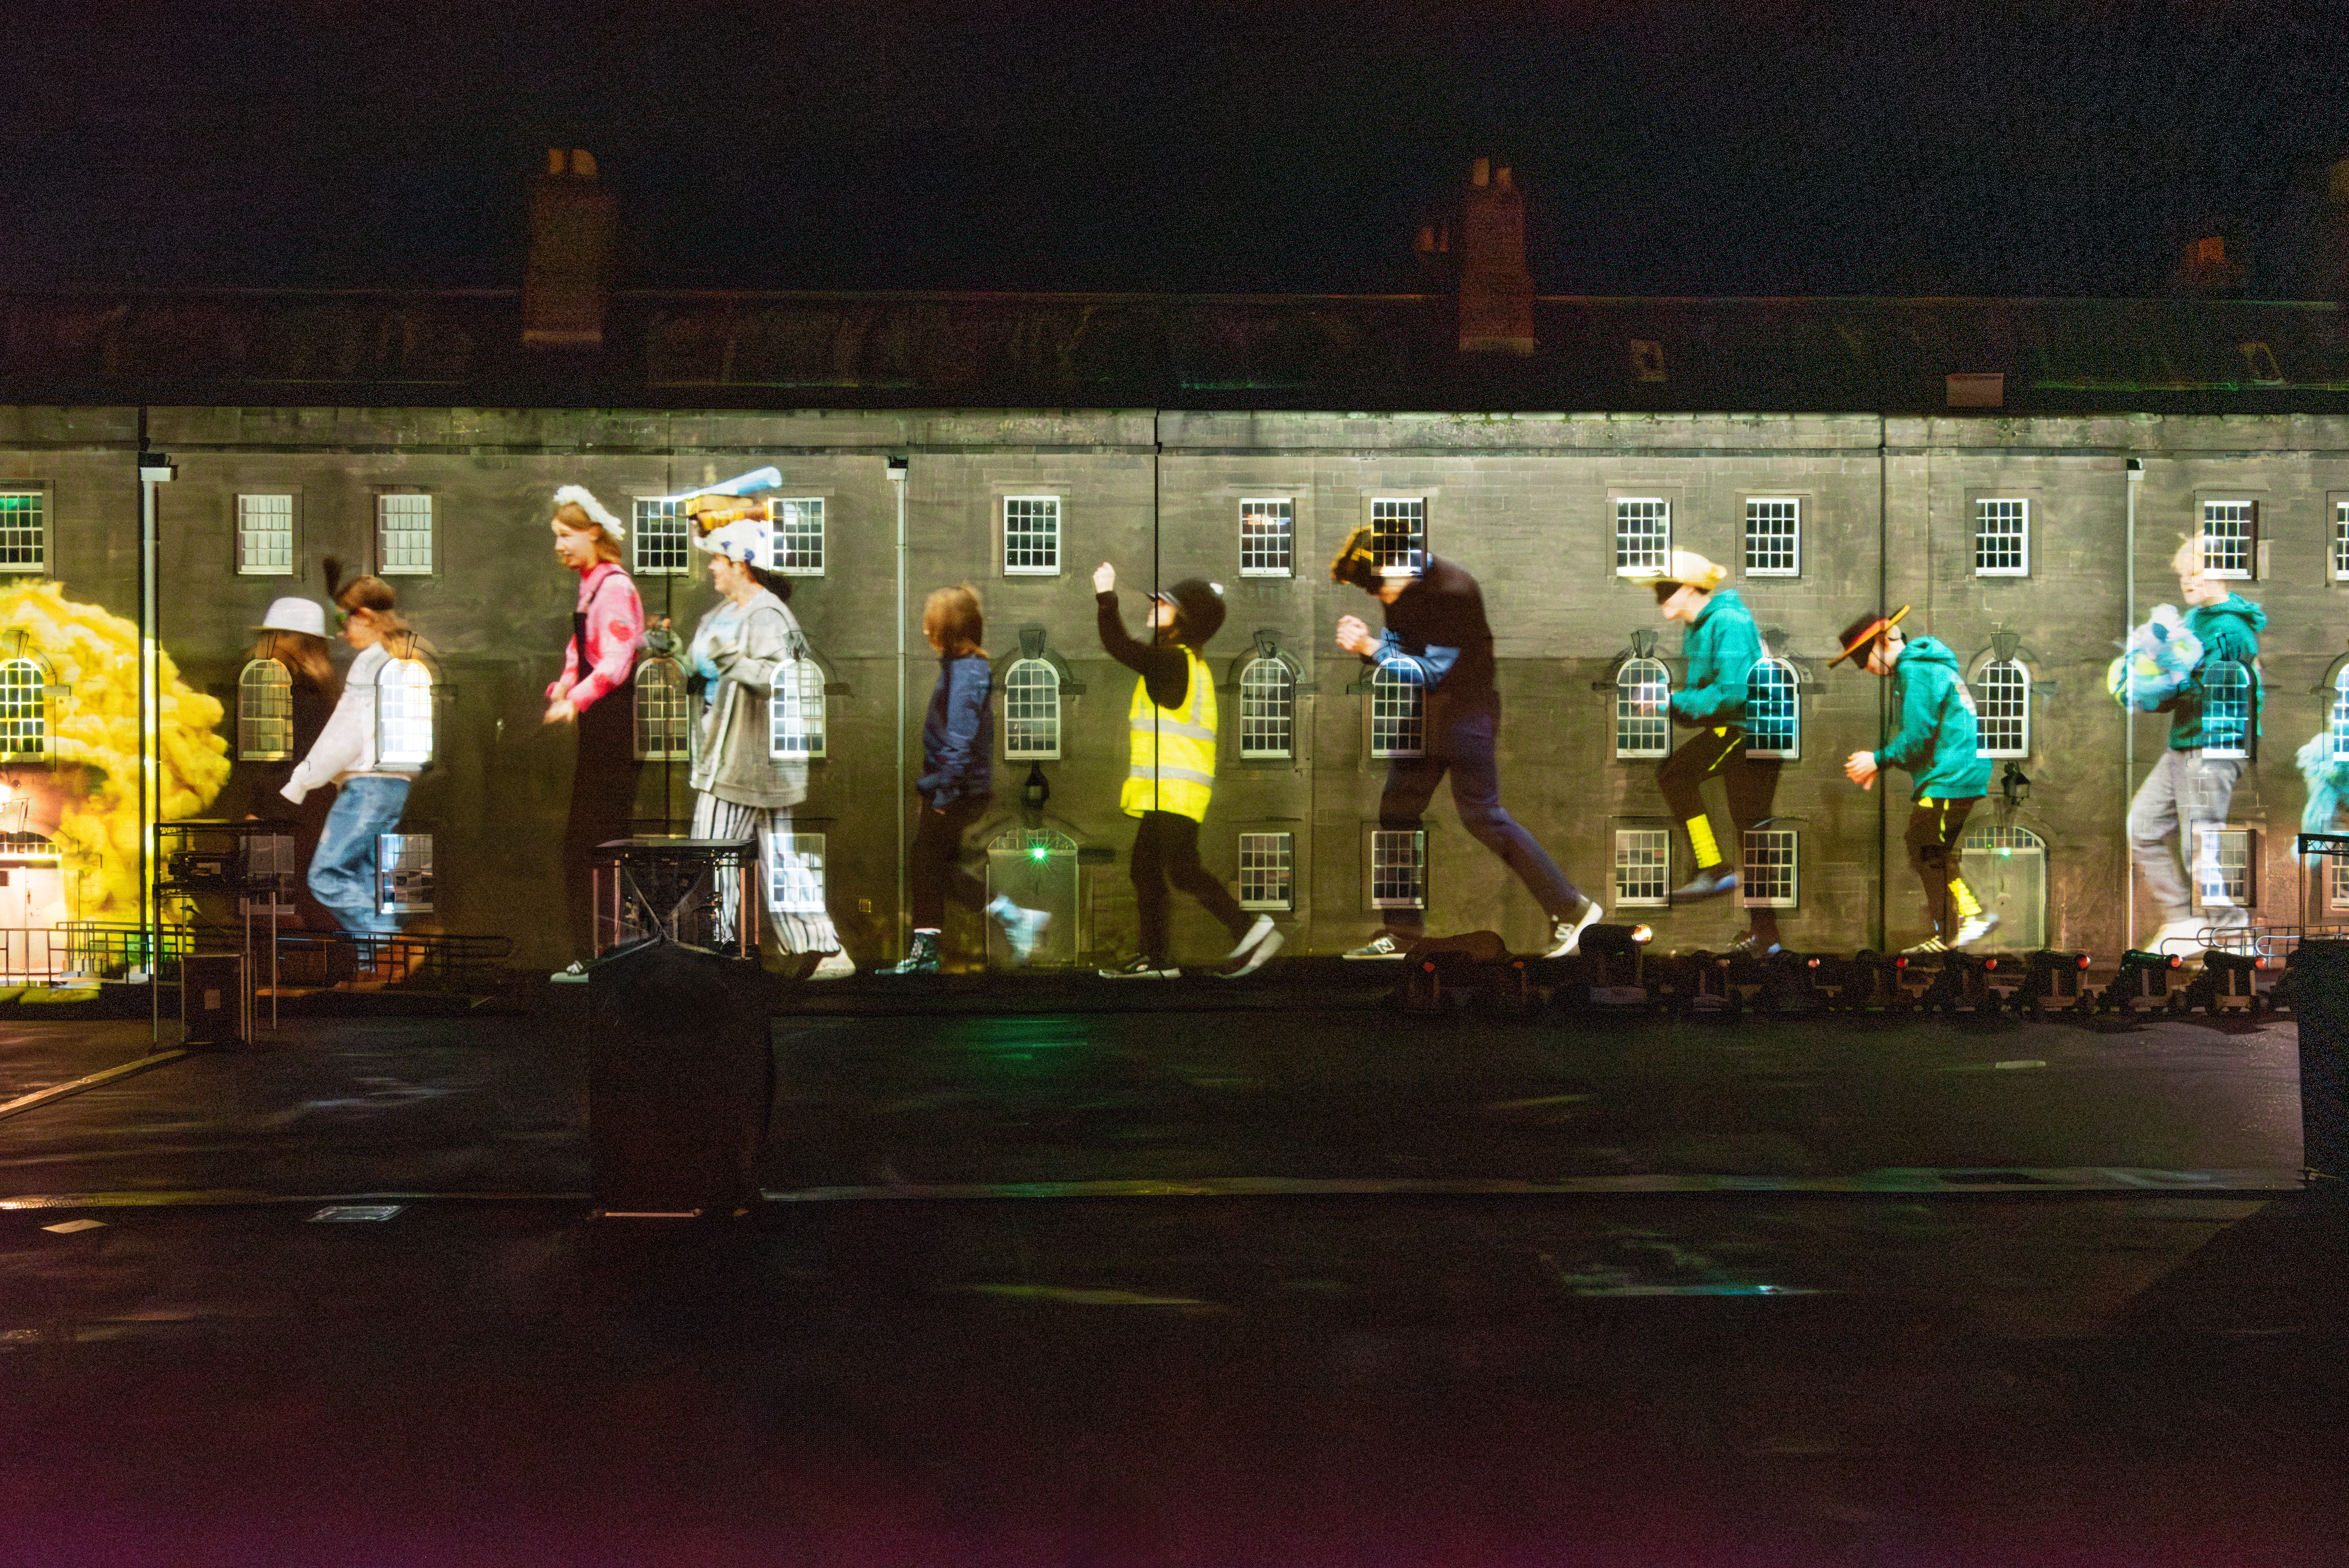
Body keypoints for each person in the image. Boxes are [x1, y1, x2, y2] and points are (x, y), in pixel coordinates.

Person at [1330, 527, 1602, 960]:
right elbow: (1402, 647)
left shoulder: (1454, 590)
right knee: (1396, 809)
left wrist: (1370, 646)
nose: (1379, 598)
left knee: (1481, 814)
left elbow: (1433, 670)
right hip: (1427, 711)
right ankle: (1402, 932)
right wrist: (1370, 645)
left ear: (1397, 563)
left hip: (1467, 711)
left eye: (1378, 586)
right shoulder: (1402, 590)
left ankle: (1571, 908)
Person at [683, 510, 854, 979]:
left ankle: (719, 951)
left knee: (714, 849)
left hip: (742, 761)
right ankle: (821, 947)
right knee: (777, 855)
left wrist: (732, 659)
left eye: (718, 559)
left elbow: (785, 680)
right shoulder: (727, 612)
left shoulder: (766, 614)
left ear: (741, 562)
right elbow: (703, 667)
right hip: (747, 757)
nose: (712, 568)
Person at [1093, 562, 1282, 978]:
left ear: (1185, 619)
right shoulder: (1184, 664)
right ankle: (1159, 958)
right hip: (1174, 790)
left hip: (1172, 789)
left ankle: (1245, 930)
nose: (1153, 605)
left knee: (1173, 870)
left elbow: (1119, 645)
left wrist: (1106, 595)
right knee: (1164, 869)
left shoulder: (1174, 663)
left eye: (1163, 603)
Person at [884, 584, 1048, 973]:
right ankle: (943, 945)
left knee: (929, 864)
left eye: (931, 623)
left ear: (947, 628)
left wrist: (942, 796)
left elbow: (959, 735)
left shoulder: (968, 670)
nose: (925, 631)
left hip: (954, 789)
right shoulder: (963, 668)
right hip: (953, 785)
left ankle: (1006, 920)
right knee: (933, 866)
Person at [1636, 550, 1784, 957]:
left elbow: (1732, 693)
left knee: (1682, 780)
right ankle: (1757, 923)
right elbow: (1710, 693)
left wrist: (1669, 700)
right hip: (1740, 729)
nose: (1659, 598)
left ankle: (1720, 877)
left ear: (1689, 588)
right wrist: (1675, 702)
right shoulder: (1699, 626)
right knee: (1746, 830)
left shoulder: (1728, 622)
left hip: (1753, 732)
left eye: (1665, 590)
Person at [1832, 606, 1996, 953]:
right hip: (1956, 772)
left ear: (1881, 643)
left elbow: (1918, 735)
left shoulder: (1914, 671)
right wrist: (1881, 765)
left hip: (1951, 775)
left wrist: (1876, 760)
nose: (1868, 670)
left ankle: (1965, 920)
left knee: (1924, 844)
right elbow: (1922, 741)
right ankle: (1958, 924)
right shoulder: (1927, 667)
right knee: (1928, 847)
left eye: (1865, 661)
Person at [2133, 540, 2266, 954]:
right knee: (2141, 828)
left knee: (2200, 845)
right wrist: (2149, 689)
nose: (2189, 582)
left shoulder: (2231, 628)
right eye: (2183, 575)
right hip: (2183, 743)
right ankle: (2184, 920)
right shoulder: (2193, 620)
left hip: (2216, 745)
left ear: (2222, 572)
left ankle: (2230, 931)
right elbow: (2178, 681)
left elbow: (2228, 687)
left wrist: (2171, 680)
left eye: (2198, 572)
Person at [280, 562, 422, 938]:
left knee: (327, 876)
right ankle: (380, 968)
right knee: (373, 880)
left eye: (345, 621)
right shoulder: (407, 659)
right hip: (395, 784)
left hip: (368, 784)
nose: (343, 634)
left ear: (364, 617)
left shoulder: (372, 662)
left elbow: (347, 732)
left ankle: (383, 947)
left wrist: (303, 780)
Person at [542, 486, 646, 973]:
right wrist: (566, 684)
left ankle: (605, 951)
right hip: (597, 725)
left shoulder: (616, 587)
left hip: (611, 726)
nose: (559, 545)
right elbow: (577, 647)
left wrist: (577, 697)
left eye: (567, 535)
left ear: (594, 533)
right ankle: (595, 949)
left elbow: (618, 660)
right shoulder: (593, 584)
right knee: (586, 843)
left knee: (596, 842)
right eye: (556, 536)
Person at [221, 596, 340, 930]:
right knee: (295, 899)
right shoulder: (323, 689)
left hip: (282, 808)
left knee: (266, 908)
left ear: (289, 639)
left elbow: (280, 763)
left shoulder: (285, 686)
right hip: (311, 807)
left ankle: (282, 974)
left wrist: (260, 811)